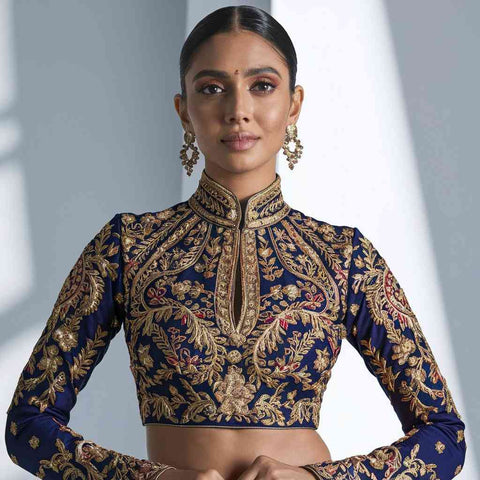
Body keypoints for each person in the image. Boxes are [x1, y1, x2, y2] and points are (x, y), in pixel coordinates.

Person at [5, 5, 466, 480]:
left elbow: (444, 437)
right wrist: (155, 479)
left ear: (293, 105)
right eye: (211, 89)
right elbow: (27, 425)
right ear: (184, 109)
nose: (237, 110)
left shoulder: (344, 256)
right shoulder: (128, 247)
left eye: (261, 86)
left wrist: (314, 479)